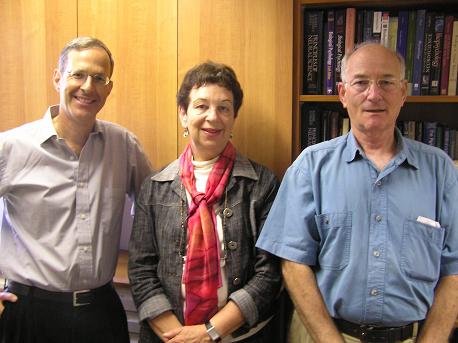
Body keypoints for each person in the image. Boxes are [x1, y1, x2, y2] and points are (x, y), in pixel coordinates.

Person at [256, 43, 458, 343]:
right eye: (361, 82)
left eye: (386, 82)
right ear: (342, 93)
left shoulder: (440, 169)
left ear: (403, 93)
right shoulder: (310, 166)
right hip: (324, 335)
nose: (373, 94)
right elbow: (293, 265)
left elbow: (454, 270)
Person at [0, 37, 152, 343]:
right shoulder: (10, 147)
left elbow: (156, 213)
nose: (88, 87)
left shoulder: (124, 146)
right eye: (77, 74)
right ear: (57, 77)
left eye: (99, 78)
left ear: (109, 88)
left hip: (100, 313)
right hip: (28, 314)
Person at [128, 61, 286, 343]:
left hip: (243, 337)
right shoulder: (154, 188)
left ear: (234, 116)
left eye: (224, 107)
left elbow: (270, 273)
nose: (213, 117)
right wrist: (177, 336)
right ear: (183, 114)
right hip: (167, 337)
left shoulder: (262, 184)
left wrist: (209, 332)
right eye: (201, 106)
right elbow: (141, 269)